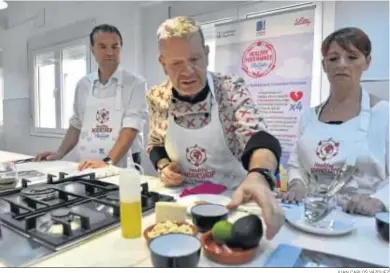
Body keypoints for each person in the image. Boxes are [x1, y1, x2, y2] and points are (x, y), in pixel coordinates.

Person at [146, 16, 284, 240]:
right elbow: (155, 143)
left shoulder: (230, 88)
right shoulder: (157, 96)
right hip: (183, 202)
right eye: (176, 63)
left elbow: (258, 137)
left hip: (233, 199)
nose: (188, 71)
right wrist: (163, 167)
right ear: (162, 64)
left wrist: (259, 175)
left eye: (195, 59)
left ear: (207, 54)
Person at [283, 27, 389, 216]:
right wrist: (297, 183)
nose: (341, 64)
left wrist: (379, 201)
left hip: (364, 221)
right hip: (310, 214)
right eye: (333, 58)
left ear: (367, 62)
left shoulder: (383, 114)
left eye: (352, 57)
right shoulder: (308, 117)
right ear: (324, 65)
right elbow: (296, 164)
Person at [35, 24, 148, 170]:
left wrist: (107, 162)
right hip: (87, 165)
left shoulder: (135, 83)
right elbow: (76, 124)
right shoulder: (83, 84)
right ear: (92, 49)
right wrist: (59, 153)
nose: (110, 52)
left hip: (124, 166)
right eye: (102, 46)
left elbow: (131, 128)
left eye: (115, 47)